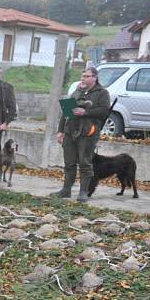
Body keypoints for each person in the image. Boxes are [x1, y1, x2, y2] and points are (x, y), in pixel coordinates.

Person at [51, 66, 110, 201]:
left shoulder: (102, 93)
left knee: (85, 163)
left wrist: (86, 112)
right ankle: (66, 190)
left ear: (94, 77)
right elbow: (66, 111)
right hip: (70, 131)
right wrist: (60, 131)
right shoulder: (77, 91)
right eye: (82, 76)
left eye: (87, 76)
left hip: (88, 133)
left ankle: (83, 192)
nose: (83, 78)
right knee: (69, 163)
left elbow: (104, 111)